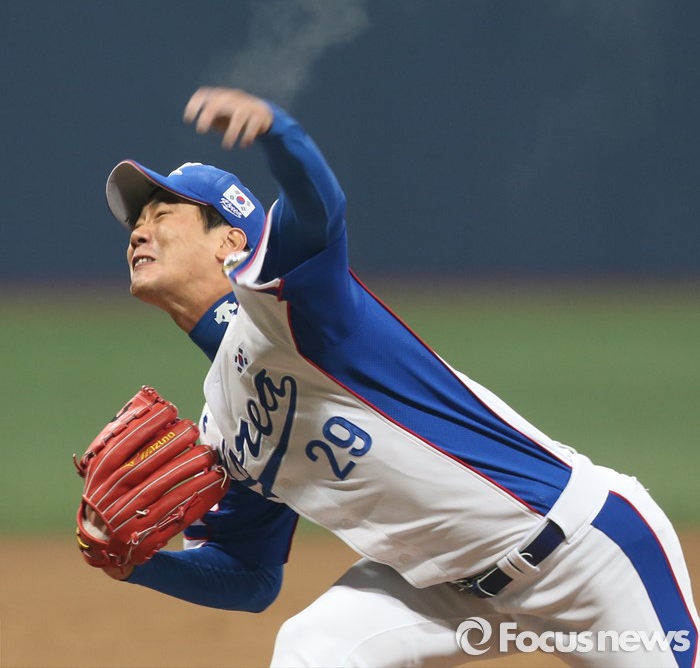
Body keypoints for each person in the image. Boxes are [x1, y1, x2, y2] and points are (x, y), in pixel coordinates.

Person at [100, 86, 698, 668]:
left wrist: (279, 133)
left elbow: (321, 209)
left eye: (162, 214)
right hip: (447, 594)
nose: (139, 232)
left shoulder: (288, 303)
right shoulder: (222, 425)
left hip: (586, 554)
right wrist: (135, 564)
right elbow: (248, 573)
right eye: (136, 222)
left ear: (231, 241)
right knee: (314, 649)